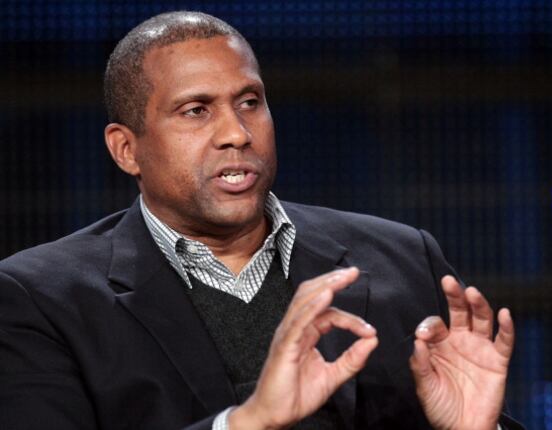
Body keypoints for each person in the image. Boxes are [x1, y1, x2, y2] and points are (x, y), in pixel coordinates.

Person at [0, 11, 524, 430]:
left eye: (249, 102)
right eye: (196, 111)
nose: (236, 133)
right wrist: (246, 423)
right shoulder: (40, 298)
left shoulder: (404, 258)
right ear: (126, 149)